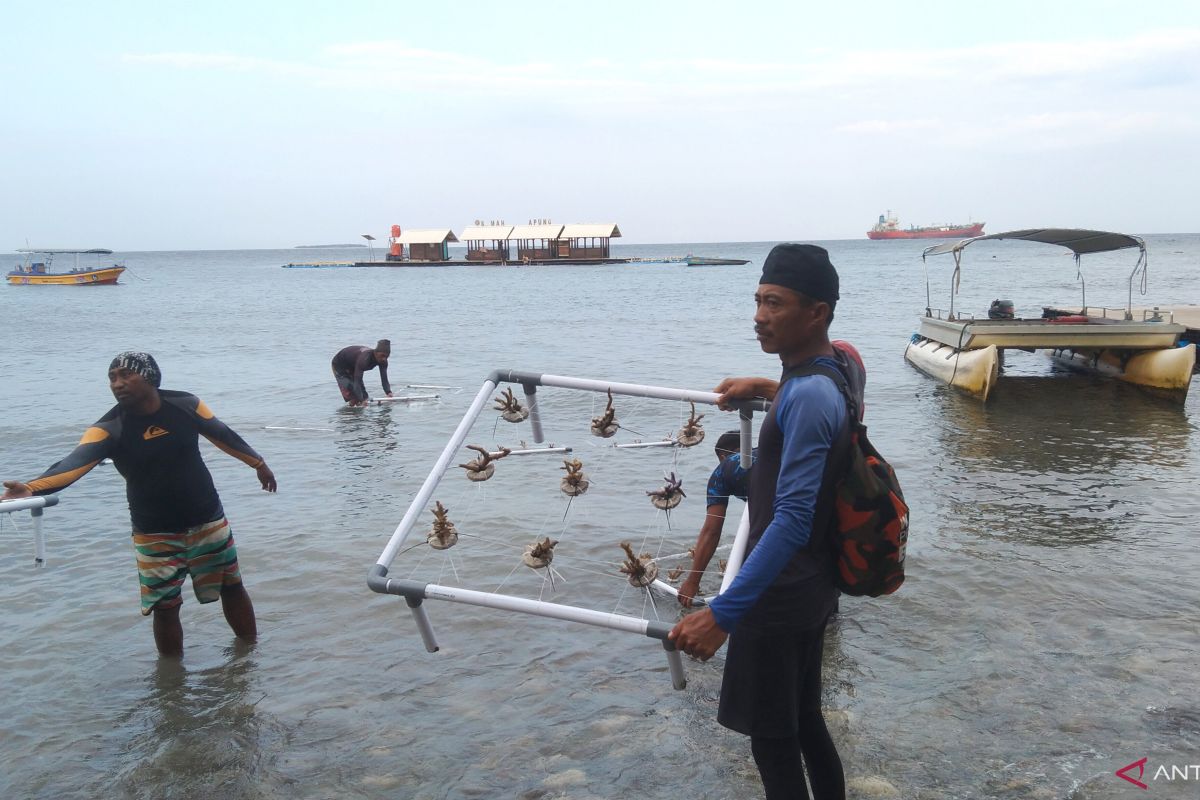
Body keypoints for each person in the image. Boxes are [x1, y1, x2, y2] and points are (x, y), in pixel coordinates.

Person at [670, 243, 865, 800]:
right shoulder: (839, 371)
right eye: (757, 300)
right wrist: (762, 387)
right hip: (815, 586)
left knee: (773, 742)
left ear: (817, 312)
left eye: (775, 303)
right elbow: (811, 393)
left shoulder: (807, 395)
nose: (759, 316)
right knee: (806, 722)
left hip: (775, 595)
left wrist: (723, 612)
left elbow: (791, 520)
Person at [1, 352, 277, 658]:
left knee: (232, 586)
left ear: (150, 376)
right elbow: (73, 464)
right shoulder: (110, 428)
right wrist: (31, 488)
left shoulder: (185, 405)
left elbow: (223, 434)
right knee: (165, 606)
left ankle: (251, 655)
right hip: (154, 532)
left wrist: (258, 463)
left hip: (207, 519)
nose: (117, 384)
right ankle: (172, 681)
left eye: (125, 375)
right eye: (112, 378)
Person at [676, 430, 752, 608]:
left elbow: (712, 530)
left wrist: (693, 581)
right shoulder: (768, 451)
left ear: (723, 456)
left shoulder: (723, 470)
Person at [332, 339, 393, 407]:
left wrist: (388, 392)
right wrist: (362, 400)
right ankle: (349, 414)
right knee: (355, 395)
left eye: (387, 356)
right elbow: (357, 382)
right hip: (339, 365)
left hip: (353, 366)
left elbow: (384, 379)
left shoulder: (383, 361)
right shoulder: (364, 359)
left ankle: (355, 413)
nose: (384, 359)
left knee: (365, 396)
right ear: (375, 352)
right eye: (382, 355)